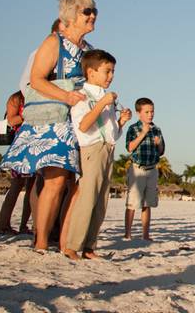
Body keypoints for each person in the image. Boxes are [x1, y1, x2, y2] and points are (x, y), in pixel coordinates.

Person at [0, 0, 97, 252]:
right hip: (55, 121)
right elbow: (36, 79)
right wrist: (66, 95)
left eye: (94, 10)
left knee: (71, 184)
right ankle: (41, 242)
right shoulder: (54, 43)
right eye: (87, 11)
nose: (92, 15)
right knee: (53, 182)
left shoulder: (88, 50)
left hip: (77, 123)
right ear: (71, 15)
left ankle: (63, 241)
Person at [63, 50, 131, 260]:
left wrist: (121, 122)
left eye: (113, 72)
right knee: (87, 199)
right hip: (91, 151)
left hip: (107, 150)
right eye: (107, 71)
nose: (111, 76)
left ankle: (89, 247)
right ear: (91, 73)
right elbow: (83, 126)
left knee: (101, 202)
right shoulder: (83, 96)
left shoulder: (105, 98)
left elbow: (112, 134)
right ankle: (71, 246)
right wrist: (102, 104)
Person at [0, 91, 36, 235]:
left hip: (36, 144)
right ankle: (2, 222)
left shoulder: (40, 94)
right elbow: (11, 120)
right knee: (16, 185)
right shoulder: (16, 98)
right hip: (21, 145)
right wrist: (31, 114)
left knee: (32, 187)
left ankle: (24, 225)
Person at [124, 97, 165, 241]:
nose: (150, 114)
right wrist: (142, 134)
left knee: (147, 204)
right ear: (138, 113)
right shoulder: (133, 128)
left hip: (152, 169)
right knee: (132, 203)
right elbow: (129, 147)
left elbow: (161, 151)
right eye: (147, 112)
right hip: (137, 169)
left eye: (152, 111)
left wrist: (158, 144)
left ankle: (145, 235)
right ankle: (127, 234)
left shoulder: (157, 129)